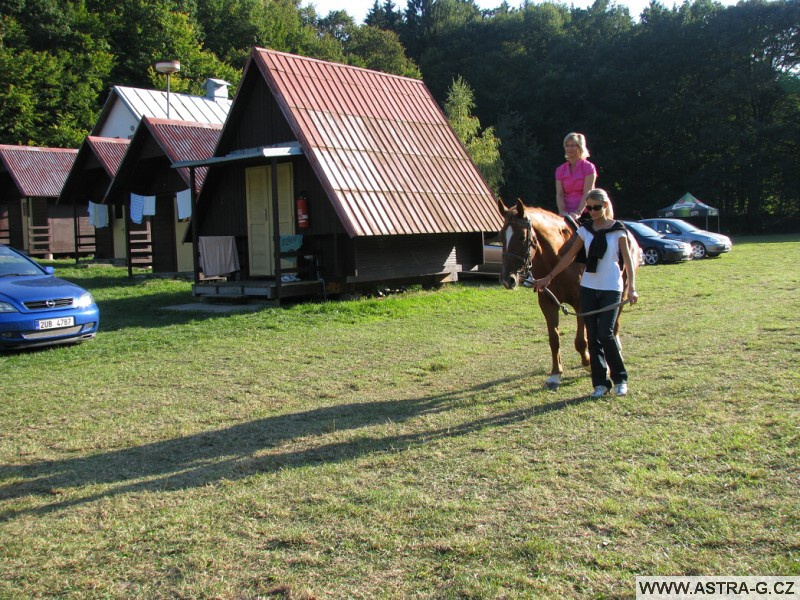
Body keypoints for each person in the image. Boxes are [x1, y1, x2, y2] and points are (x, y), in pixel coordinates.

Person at [533, 189, 639, 398]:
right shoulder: (584, 231)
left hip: (611, 286)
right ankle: (600, 384)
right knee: (592, 337)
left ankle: (620, 379)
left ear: (605, 206)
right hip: (589, 287)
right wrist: (549, 276)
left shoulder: (618, 230)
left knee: (605, 334)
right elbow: (569, 257)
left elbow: (627, 261)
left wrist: (632, 287)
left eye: (596, 207)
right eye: (588, 208)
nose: (591, 211)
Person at [555, 132, 597, 220]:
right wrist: (562, 212)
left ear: (580, 147)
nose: (569, 148)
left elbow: (587, 192)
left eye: (573, 145)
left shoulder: (589, 167)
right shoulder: (560, 170)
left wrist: (578, 212)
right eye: (567, 145)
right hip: (566, 214)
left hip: (586, 212)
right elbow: (559, 194)